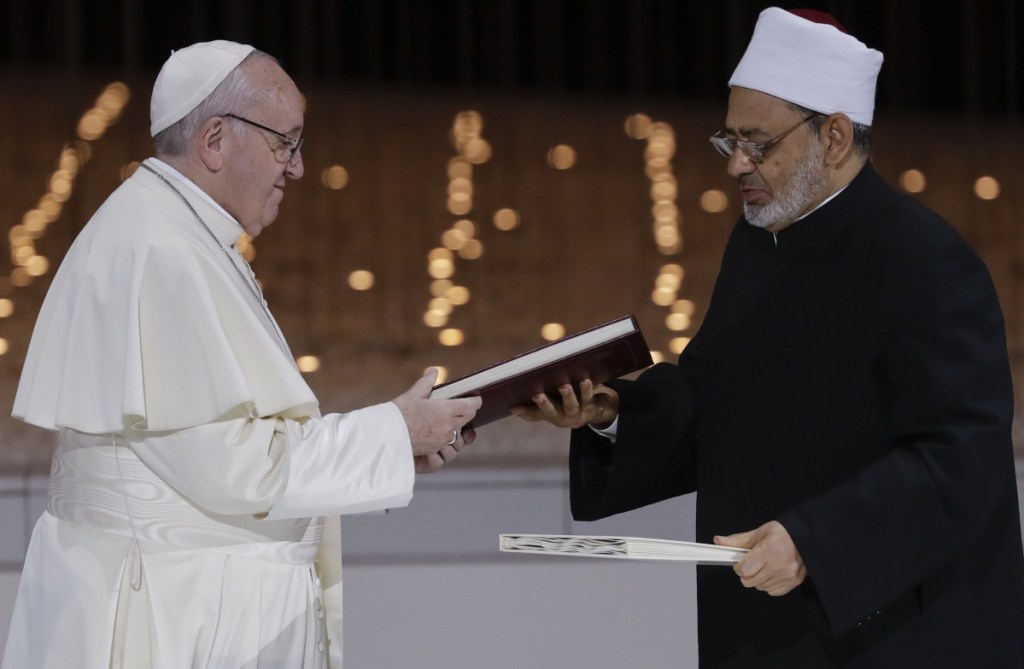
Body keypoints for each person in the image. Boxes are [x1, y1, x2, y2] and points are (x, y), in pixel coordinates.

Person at [514, 8, 1024, 667]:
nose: (737, 167)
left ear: (834, 137)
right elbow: (718, 394)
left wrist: (816, 541)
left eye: (758, 144)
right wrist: (611, 413)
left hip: (897, 635)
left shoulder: (926, 264)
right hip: (761, 627)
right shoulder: (761, 241)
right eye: (729, 142)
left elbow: (960, 460)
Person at [2, 40, 480, 669]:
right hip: (172, 617)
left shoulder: (176, 233)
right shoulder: (161, 250)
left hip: (186, 597)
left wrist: (398, 445)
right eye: (286, 142)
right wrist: (393, 432)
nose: (298, 168)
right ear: (216, 139)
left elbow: (231, 450)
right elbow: (237, 468)